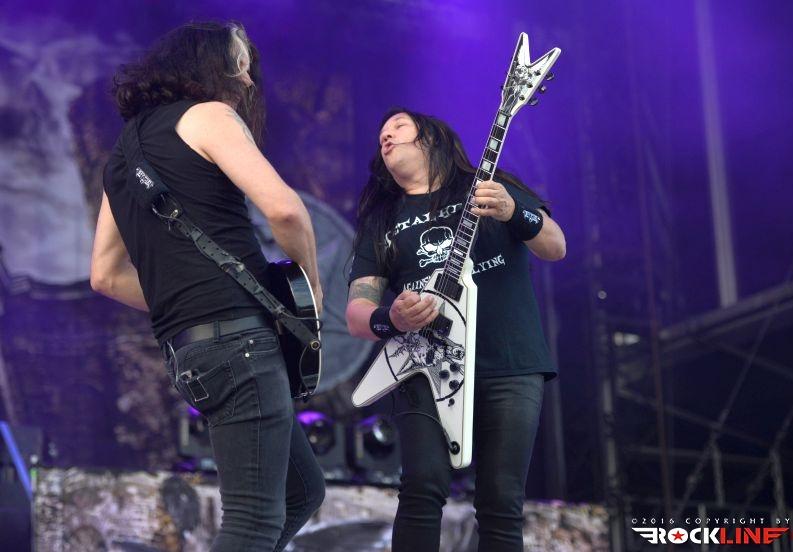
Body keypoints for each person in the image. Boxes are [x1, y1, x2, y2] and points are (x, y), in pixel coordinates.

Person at [90, 21, 325, 551]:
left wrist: (192, 301)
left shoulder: (122, 156)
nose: (249, 79)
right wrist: (312, 290)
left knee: (302, 492)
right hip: (241, 345)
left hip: (192, 353)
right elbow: (287, 212)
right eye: (239, 63)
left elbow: (104, 275)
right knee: (252, 523)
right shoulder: (210, 116)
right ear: (207, 65)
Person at [346, 109, 566, 552]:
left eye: (398, 127)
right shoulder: (382, 220)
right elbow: (356, 313)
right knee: (421, 486)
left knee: (501, 500)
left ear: (432, 137)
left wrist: (513, 211)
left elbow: (556, 246)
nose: (386, 136)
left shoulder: (489, 186)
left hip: (510, 363)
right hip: (425, 366)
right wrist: (392, 318)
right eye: (381, 134)